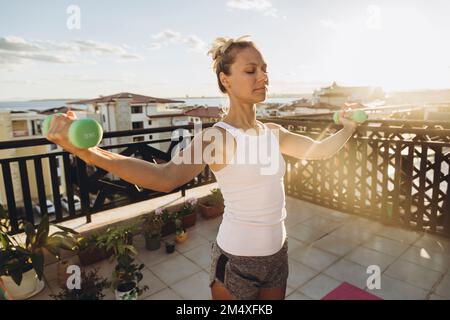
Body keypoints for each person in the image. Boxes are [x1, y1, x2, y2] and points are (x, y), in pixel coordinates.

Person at [46, 35, 358, 300]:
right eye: (251, 70)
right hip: (237, 263)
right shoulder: (217, 136)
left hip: (278, 254)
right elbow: (165, 177)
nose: (263, 77)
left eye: (264, 69)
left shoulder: (273, 133)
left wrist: (347, 128)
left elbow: (319, 150)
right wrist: (90, 154)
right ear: (225, 79)